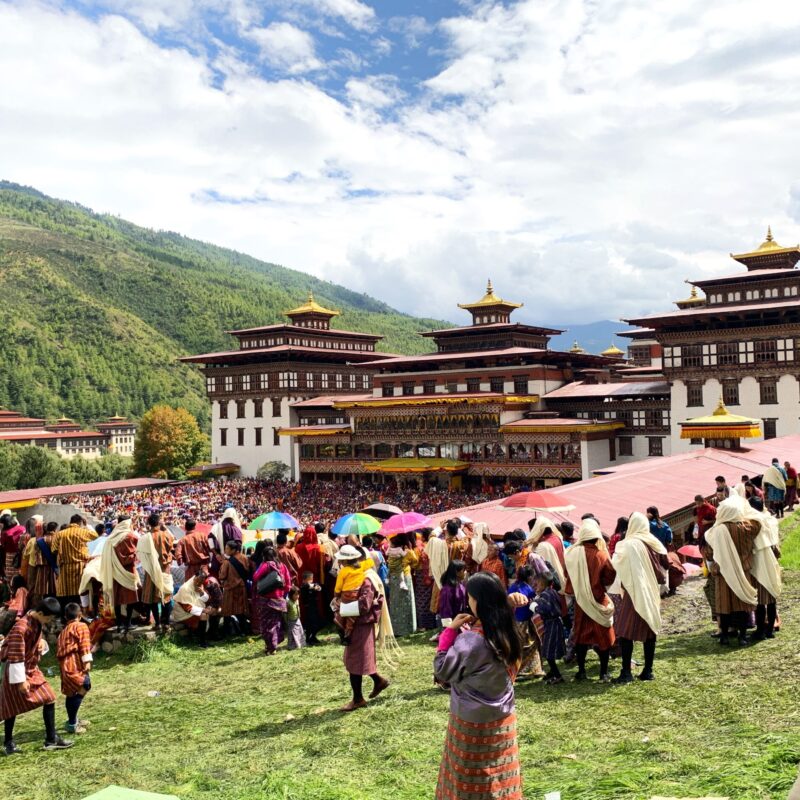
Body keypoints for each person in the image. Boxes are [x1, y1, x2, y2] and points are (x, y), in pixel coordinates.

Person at [433, 572, 523, 800]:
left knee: (468, 777)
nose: (468, 602)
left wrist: (450, 632)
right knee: (500, 773)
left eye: (470, 597)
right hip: (502, 719)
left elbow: (442, 670)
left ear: (479, 602)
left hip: (470, 723)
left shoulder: (470, 641)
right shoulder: (510, 632)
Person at [0, 596, 73, 754]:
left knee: (49, 697)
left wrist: (41, 644)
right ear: (40, 612)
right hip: (16, 671)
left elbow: (34, 642)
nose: (50, 620)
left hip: (32, 669)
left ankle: (51, 739)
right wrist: (20, 681)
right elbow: (15, 654)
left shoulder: (36, 622)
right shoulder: (21, 628)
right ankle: (8, 744)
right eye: (49, 617)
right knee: (10, 708)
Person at [611, 511, 668, 684]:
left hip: (633, 591)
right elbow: (664, 568)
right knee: (650, 628)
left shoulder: (627, 545)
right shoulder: (654, 543)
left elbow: (617, 564)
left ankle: (626, 672)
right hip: (650, 591)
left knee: (625, 631)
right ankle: (648, 670)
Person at [564, 518, 616, 682]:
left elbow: (567, 575)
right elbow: (609, 576)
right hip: (598, 600)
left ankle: (581, 671)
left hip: (581, 601)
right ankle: (603, 672)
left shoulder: (572, 553)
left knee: (580, 636)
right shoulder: (601, 555)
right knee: (604, 637)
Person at [704, 497, 761, 646]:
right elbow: (758, 524)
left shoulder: (716, 531)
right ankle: (742, 637)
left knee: (724, 606)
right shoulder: (746, 528)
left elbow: (709, 553)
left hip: (723, 573)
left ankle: (724, 636)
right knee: (742, 606)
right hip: (742, 572)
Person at [340, 554, 392, 712]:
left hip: (361, 623)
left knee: (356, 660)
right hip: (356, 623)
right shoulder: (354, 578)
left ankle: (358, 699)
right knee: (360, 658)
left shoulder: (366, 579)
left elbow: (364, 605)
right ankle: (378, 681)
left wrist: (344, 608)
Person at [56, 602, 92, 735]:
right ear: (80, 615)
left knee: (71, 692)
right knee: (85, 684)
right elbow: (84, 644)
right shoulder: (81, 626)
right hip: (74, 663)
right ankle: (72, 723)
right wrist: (87, 661)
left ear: (66, 617)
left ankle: (73, 719)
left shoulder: (64, 631)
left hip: (64, 664)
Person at [100, 516, 141, 633]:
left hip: (114, 571)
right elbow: (135, 553)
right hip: (128, 570)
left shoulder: (111, 538)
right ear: (128, 523)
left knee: (117, 598)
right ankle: (128, 623)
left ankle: (119, 624)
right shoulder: (131, 536)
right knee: (131, 597)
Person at [138, 513, 175, 634]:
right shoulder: (165, 535)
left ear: (149, 524)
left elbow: (140, 554)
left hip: (150, 570)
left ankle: (158, 624)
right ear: (159, 522)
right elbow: (172, 542)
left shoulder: (144, 538)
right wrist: (164, 527)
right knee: (167, 596)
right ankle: (166, 624)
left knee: (153, 599)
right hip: (164, 569)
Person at [252, 545, 291, 655]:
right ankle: (273, 644)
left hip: (267, 600)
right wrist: (283, 594)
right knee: (276, 623)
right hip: (279, 600)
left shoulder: (265, 565)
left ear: (264, 556)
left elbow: (255, 577)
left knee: (266, 625)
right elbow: (288, 583)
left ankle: (271, 647)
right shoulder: (282, 566)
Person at [507, 565, 544, 679]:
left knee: (519, 645)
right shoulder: (528, 589)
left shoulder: (513, 587)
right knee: (531, 645)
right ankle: (532, 669)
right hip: (526, 621)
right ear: (529, 576)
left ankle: (518, 669)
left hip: (515, 621)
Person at [333, 544, 372, 644]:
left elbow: (338, 587)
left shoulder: (343, 571)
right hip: (356, 594)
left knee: (341, 612)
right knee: (351, 617)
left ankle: (343, 631)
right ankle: (348, 632)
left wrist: (336, 595)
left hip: (346, 595)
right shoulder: (361, 567)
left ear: (345, 560)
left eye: (341, 560)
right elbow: (370, 561)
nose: (340, 561)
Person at [532, 571, 566, 684]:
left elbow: (545, 609)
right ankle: (552, 672)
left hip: (552, 625)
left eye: (538, 584)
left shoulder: (545, 595)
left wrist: (534, 607)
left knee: (548, 651)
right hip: (555, 623)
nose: (536, 586)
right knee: (549, 648)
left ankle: (557, 675)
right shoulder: (553, 592)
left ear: (542, 584)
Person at [386, 533, 418, 636]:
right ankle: (409, 628)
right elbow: (415, 562)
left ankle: (396, 629)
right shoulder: (408, 552)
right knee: (407, 601)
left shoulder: (391, 552)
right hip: (405, 576)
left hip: (393, 577)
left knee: (395, 603)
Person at [172, 570, 213, 647]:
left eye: (201, 582)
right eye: (197, 581)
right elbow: (187, 608)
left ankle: (205, 638)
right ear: (195, 577)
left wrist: (202, 592)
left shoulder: (200, 585)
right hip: (183, 613)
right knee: (204, 615)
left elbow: (206, 599)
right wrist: (203, 610)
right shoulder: (185, 588)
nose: (198, 583)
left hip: (194, 610)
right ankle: (202, 641)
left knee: (210, 612)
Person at [218, 540, 251, 635]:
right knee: (241, 610)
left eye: (227, 549)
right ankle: (244, 630)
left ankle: (226, 631)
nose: (225, 550)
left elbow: (222, 576)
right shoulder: (245, 558)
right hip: (242, 587)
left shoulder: (227, 562)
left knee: (227, 610)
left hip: (230, 588)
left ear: (233, 550)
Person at [24, 521, 58, 607]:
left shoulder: (39, 541)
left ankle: (39, 606)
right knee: (53, 588)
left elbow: (36, 556)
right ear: (55, 529)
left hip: (41, 569)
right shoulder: (56, 539)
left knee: (41, 589)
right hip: (54, 568)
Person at [0, 513, 25, 583]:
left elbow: (2, 543)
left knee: (10, 574)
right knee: (19, 572)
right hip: (21, 554)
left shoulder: (5, 533)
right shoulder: (22, 528)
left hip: (10, 556)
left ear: (4, 523)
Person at [299, 571, 323, 645]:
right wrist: (314, 586)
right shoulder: (303, 586)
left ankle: (313, 636)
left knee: (318, 622)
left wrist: (317, 587)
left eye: (312, 579)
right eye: (310, 579)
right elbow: (307, 586)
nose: (311, 580)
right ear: (304, 580)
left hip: (314, 606)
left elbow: (319, 588)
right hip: (308, 607)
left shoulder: (313, 584)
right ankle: (308, 639)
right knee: (310, 623)